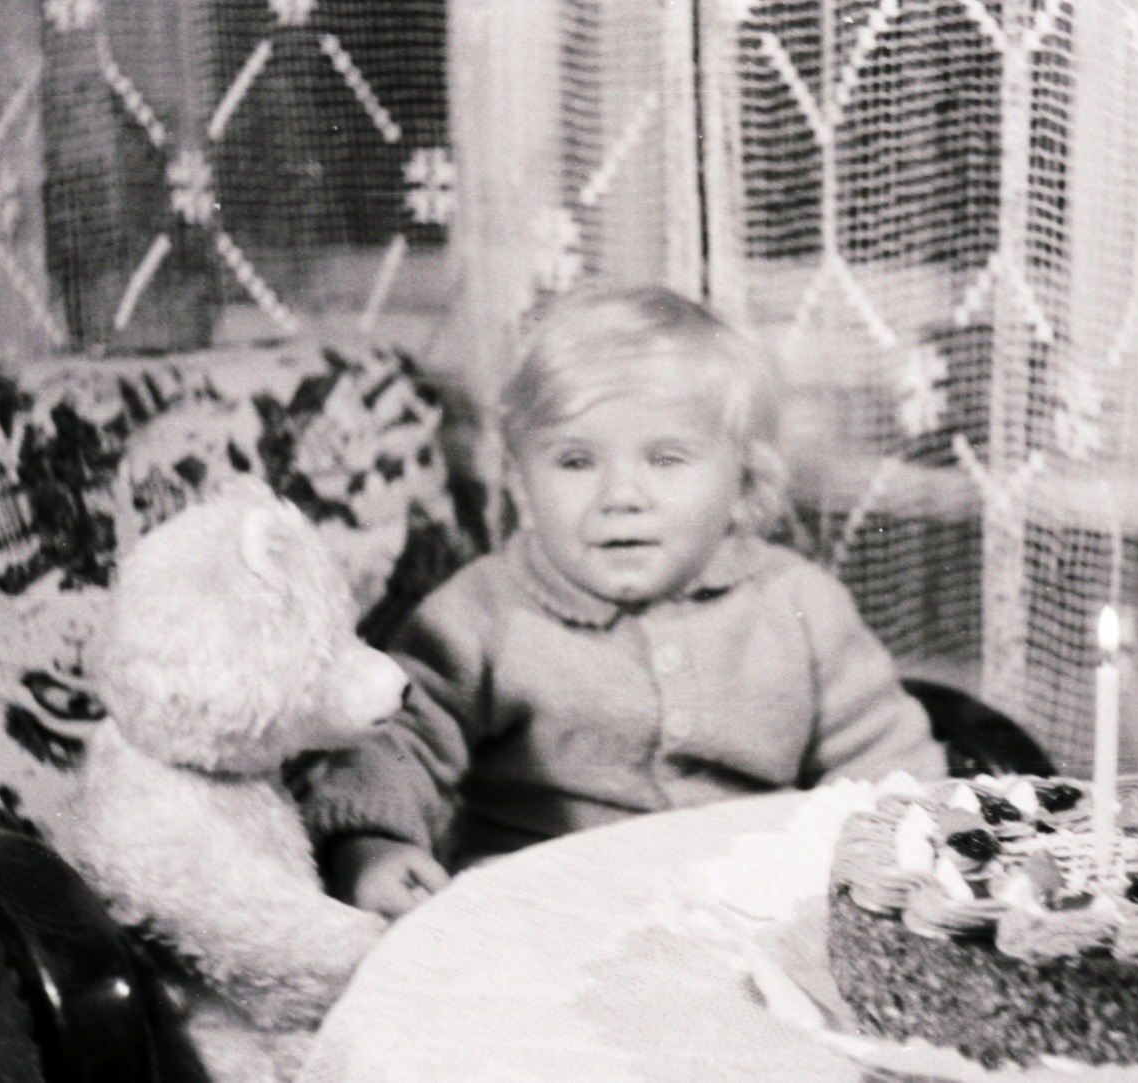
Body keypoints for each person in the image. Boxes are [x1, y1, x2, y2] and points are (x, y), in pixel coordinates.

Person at [299, 284, 949, 918]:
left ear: (744, 478)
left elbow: (883, 765)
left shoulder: (800, 603)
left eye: (666, 459)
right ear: (519, 476)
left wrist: (893, 853)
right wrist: (371, 845)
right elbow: (396, 745)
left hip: (745, 904)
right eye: (575, 462)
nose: (620, 494)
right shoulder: (481, 609)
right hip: (539, 904)